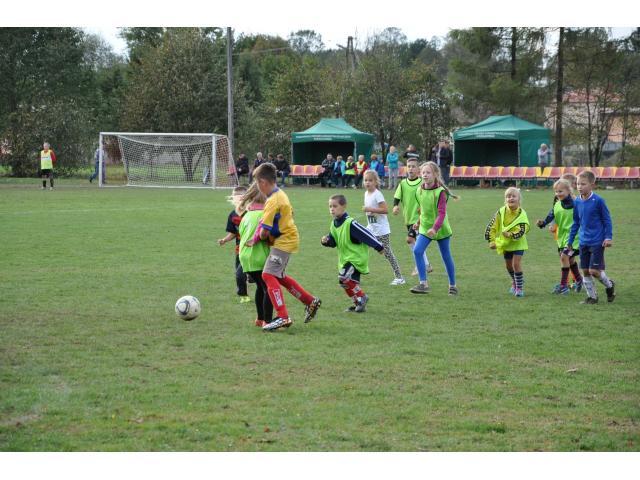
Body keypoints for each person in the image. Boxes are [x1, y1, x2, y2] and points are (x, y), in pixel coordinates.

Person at [250, 163, 322, 331]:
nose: (257, 187)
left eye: (257, 183)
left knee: (267, 275)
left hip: (284, 241)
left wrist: (257, 238)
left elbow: (264, 232)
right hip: (288, 238)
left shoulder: (272, 201)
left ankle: (283, 316)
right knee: (279, 276)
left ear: (262, 182)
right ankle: (310, 301)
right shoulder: (280, 193)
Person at [321, 194, 384, 313]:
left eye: (335, 206)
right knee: (345, 282)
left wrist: (378, 246)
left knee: (343, 277)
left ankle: (362, 297)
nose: (332, 209)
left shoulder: (350, 223)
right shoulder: (334, 224)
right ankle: (358, 303)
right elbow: (333, 242)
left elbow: (366, 234)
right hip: (345, 259)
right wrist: (326, 241)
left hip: (356, 258)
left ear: (344, 206)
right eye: (330, 206)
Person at [566, 170, 615, 304]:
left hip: (597, 241)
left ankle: (610, 285)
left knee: (594, 271)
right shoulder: (577, 202)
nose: (579, 187)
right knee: (585, 271)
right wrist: (570, 240)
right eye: (578, 184)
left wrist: (608, 237)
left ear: (592, 185)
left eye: (583, 184)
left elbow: (607, 220)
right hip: (583, 241)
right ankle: (592, 297)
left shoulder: (598, 201)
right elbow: (576, 222)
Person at [410, 161, 459, 295]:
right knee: (417, 251)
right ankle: (423, 284)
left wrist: (435, 228)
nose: (425, 175)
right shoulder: (419, 191)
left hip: (441, 228)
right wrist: (418, 222)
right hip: (426, 227)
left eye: (428, 172)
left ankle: (452, 285)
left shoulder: (440, 192)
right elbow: (423, 210)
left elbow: (441, 214)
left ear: (436, 174)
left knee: (446, 256)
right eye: (423, 172)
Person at [536, 178, 583, 295]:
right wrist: (542, 223)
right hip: (562, 237)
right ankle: (579, 280)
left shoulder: (577, 204)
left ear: (568, 191)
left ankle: (563, 286)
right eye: (556, 191)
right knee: (570, 260)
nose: (558, 194)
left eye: (560, 191)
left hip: (574, 237)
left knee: (564, 257)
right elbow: (550, 216)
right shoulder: (557, 204)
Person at [237, 183, 274, 327]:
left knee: (260, 286)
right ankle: (268, 321)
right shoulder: (264, 215)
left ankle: (260, 319)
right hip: (258, 255)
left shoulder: (247, 215)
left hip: (245, 256)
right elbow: (265, 235)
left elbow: (241, 234)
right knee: (269, 288)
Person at [485, 187, 530, 297]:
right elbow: (492, 226)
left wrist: (511, 234)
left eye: (514, 196)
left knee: (516, 264)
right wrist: (491, 241)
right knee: (509, 266)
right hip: (506, 244)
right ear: (505, 199)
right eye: (508, 196)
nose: (511, 198)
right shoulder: (501, 212)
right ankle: (516, 281)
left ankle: (519, 288)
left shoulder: (522, 214)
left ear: (519, 199)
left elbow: (523, 229)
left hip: (518, 243)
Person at [362, 170, 404, 285]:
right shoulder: (366, 194)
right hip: (371, 228)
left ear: (376, 182)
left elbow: (385, 210)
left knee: (387, 253)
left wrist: (370, 209)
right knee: (360, 246)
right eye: (366, 180)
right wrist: (370, 211)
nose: (367, 182)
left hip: (381, 230)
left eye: (370, 180)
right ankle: (355, 274)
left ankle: (399, 277)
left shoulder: (377, 194)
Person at [393, 157, 432, 275]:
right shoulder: (403, 183)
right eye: (409, 166)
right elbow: (397, 197)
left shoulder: (422, 183)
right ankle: (426, 264)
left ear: (418, 169)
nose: (410, 169)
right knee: (415, 242)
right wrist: (395, 206)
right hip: (408, 218)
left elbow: (428, 197)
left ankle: (420, 266)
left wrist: (424, 207)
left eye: (413, 166)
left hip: (419, 218)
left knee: (410, 240)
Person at [217, 186, 250, 304]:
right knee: (239, 274)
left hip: (252, 250)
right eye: (234, 197)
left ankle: (251, 283)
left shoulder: (251, 213)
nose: (235, 199)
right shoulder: (232, 215)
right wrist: (224, 240)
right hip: (239, 250)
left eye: (238, 197)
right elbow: (233, 233)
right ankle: (244, 295)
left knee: (242, 274)